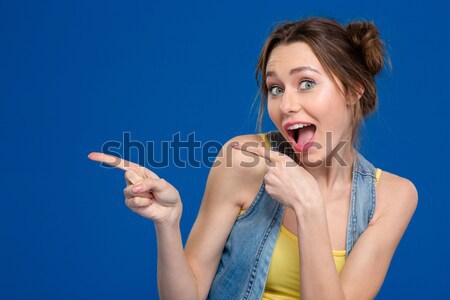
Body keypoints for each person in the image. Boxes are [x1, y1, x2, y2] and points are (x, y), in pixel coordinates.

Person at [88, 17, 418, 300]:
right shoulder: (242, 160)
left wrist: (308, 208)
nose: (286, 105)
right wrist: (168, 223)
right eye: (275, 88)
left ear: (353, 89)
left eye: (305, 83)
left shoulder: (392, 198)